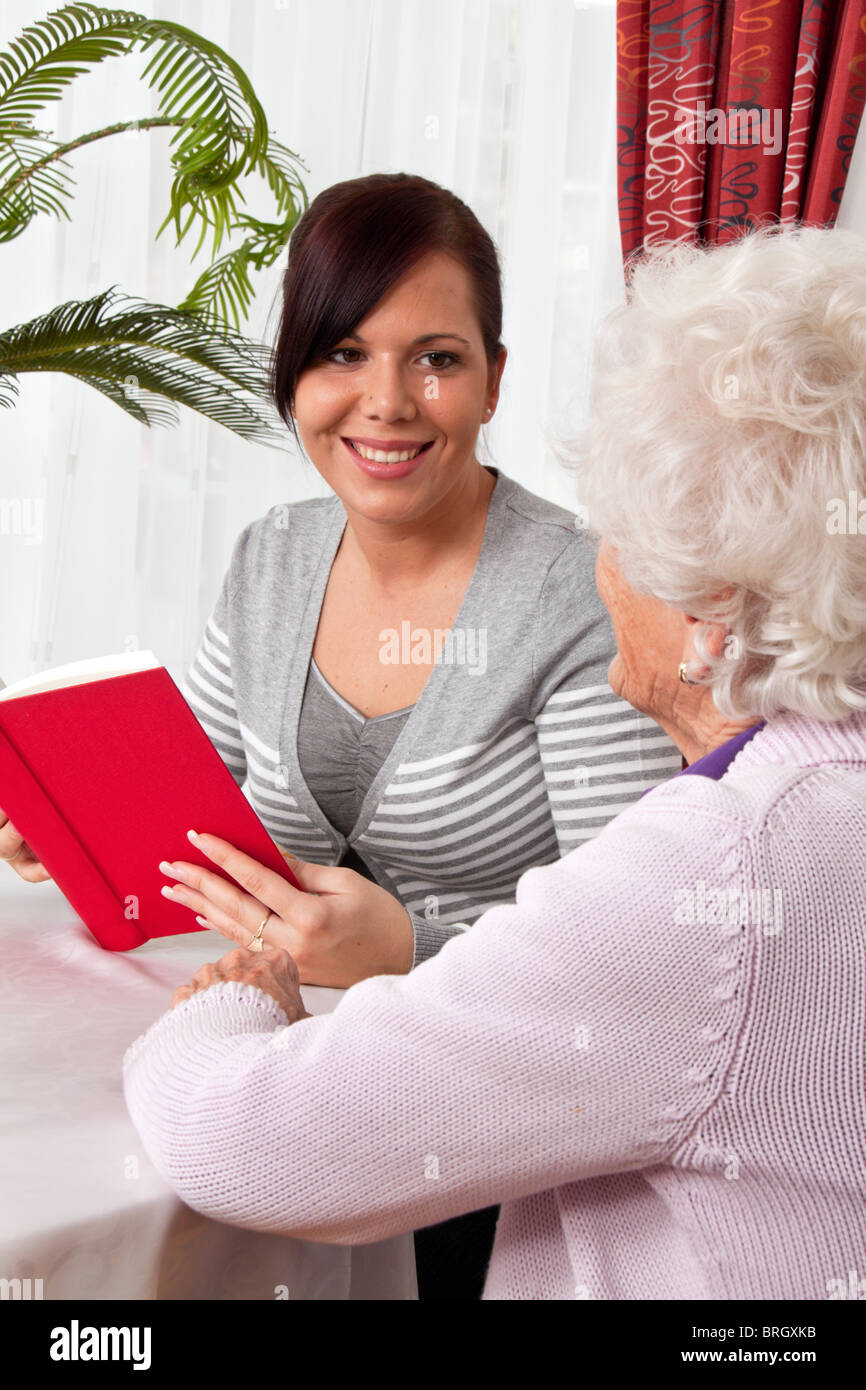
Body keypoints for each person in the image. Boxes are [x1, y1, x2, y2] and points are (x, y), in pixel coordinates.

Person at [121, 223, 866, 1298]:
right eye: (341, 351)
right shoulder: (800, 806)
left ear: (707, 608)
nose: (592, 558)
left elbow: (240, 1140)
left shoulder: (716, 868)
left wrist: (228, 1002)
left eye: (618, 527)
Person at [0, 173, 680, 1301]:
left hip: (498, 1140)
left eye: (436, 357)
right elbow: (197, 823)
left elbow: (633, 953)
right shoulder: (271, 555)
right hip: (278, 1083)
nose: (386, 402)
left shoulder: (579, 590)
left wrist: (409, 947)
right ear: (293, 377)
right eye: (342, 354)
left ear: (493, 379)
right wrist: (70, 824)